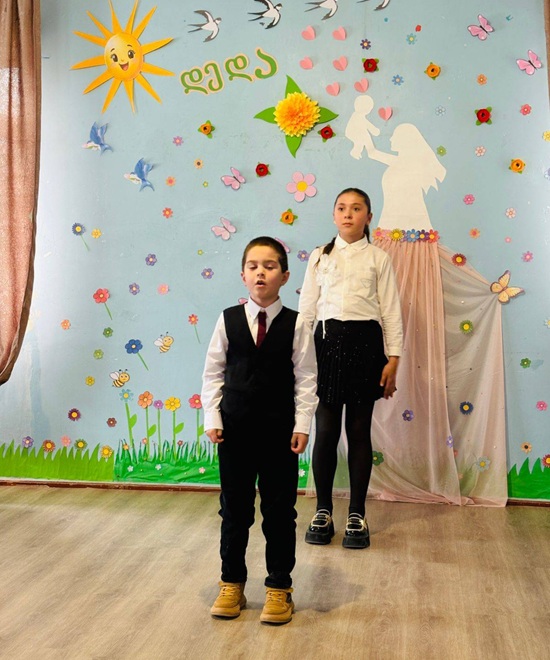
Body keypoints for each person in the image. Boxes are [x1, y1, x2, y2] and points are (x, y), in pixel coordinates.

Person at [202, 236, 318, 624]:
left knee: (279, 512)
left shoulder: (297, 324)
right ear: (243, 275)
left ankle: (279, 588)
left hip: (279, 433)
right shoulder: (228, 320)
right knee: (234, 510)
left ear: (284, 275)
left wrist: (302, 424)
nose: (260, 273)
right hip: (234, 431)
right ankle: (231, 583)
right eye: (253, 266)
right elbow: (213, 372)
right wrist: (212, 417)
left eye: (269, 266)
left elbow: (306, 378)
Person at [298, 188, 403, 548]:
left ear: (368, 217)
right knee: (326, 430)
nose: (348, 214)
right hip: (325, 346)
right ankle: (323, 511)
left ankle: (357, 514)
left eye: (356, 209)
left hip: (366, 347)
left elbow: (391, 311)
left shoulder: (378, 258)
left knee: (359, 431)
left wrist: (393, 359)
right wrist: (300, 356)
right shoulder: (319, 257)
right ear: (333, 215)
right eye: (341, 208)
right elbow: (307, 310)